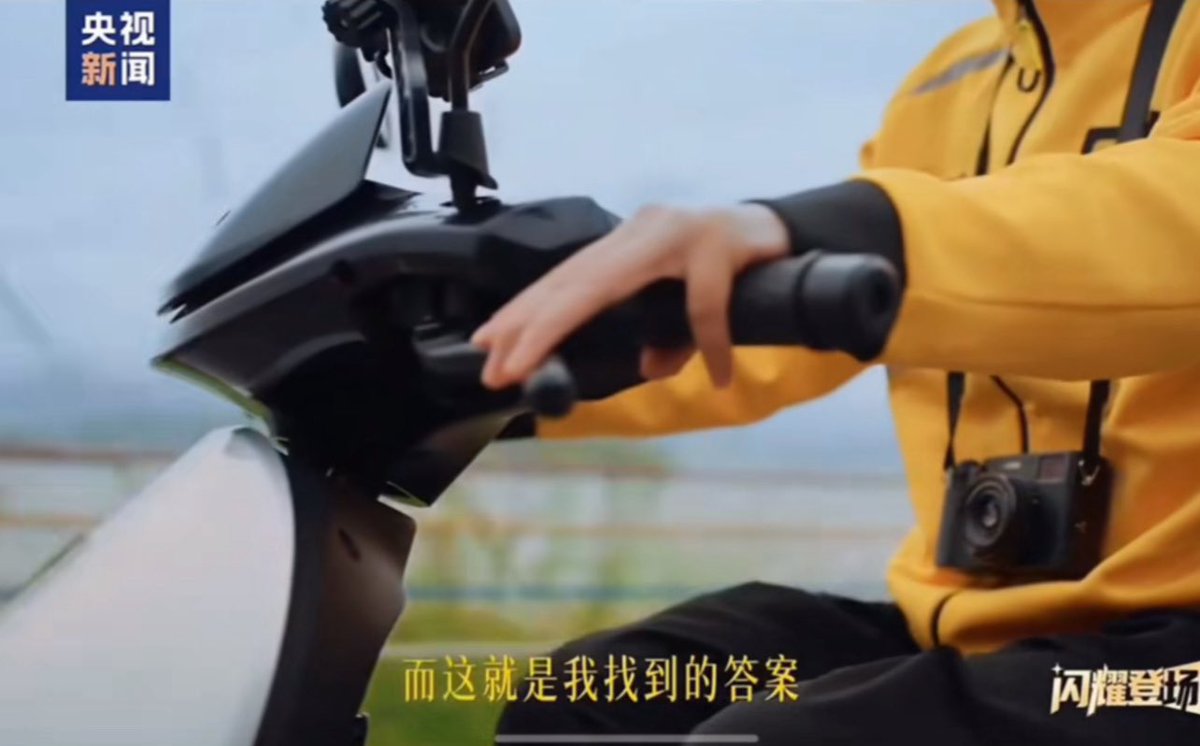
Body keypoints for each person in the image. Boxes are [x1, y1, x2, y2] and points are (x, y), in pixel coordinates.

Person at [478, 1, 1200, 744]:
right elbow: (799, 329)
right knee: (583, 704)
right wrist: (491, 385)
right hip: (972, 627)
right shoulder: (947, 81)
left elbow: (1171, 218)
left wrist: (827, 231)